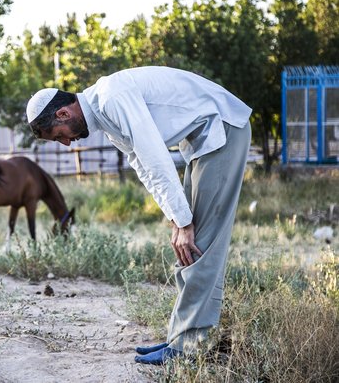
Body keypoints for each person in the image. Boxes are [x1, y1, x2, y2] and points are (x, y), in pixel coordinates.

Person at [26, 66, 251, 365]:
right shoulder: (106, 117)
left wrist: (184, 222)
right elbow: (144, 168)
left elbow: (155, 156)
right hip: (202, 140)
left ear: (64, 115)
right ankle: (180, 338)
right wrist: (176, 219)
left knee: (201, 244)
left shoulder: (111, 98)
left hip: (222, 128)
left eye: (59, 136)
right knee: (187, 245)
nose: (66, 143)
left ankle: (189, 349)